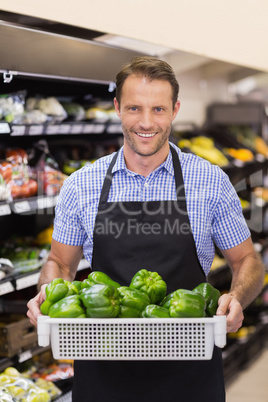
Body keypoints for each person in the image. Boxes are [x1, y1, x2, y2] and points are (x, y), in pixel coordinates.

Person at [27, 56, 264, 402]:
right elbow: (60, 264)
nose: (146, 122)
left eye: (158, 109)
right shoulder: (81, 185)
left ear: (175, 109)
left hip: (190, 371)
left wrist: (237, 298)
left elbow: (247, 260)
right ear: (117, 108)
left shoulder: (210, 181)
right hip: (103, 372)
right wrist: (47, 294)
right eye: (135, 108)